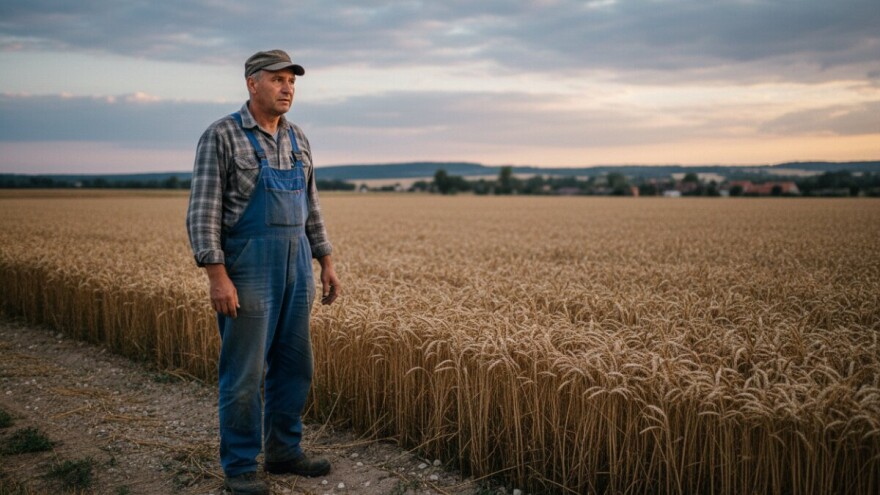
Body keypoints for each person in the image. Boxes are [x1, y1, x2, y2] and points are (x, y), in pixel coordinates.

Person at [186, 49, 340, 495]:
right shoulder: (222, 136)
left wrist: (325, 261)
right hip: (248, 268)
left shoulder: (299, 139)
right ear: (252, 83)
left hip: (297, 265)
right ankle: (239, 467)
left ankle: (283, 451)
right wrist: (217, 275)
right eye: (277, 80)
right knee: (245, 372)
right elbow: (202, 212)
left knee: (295, 366)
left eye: (291, 81)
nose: (287, 88)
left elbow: (311, 206)